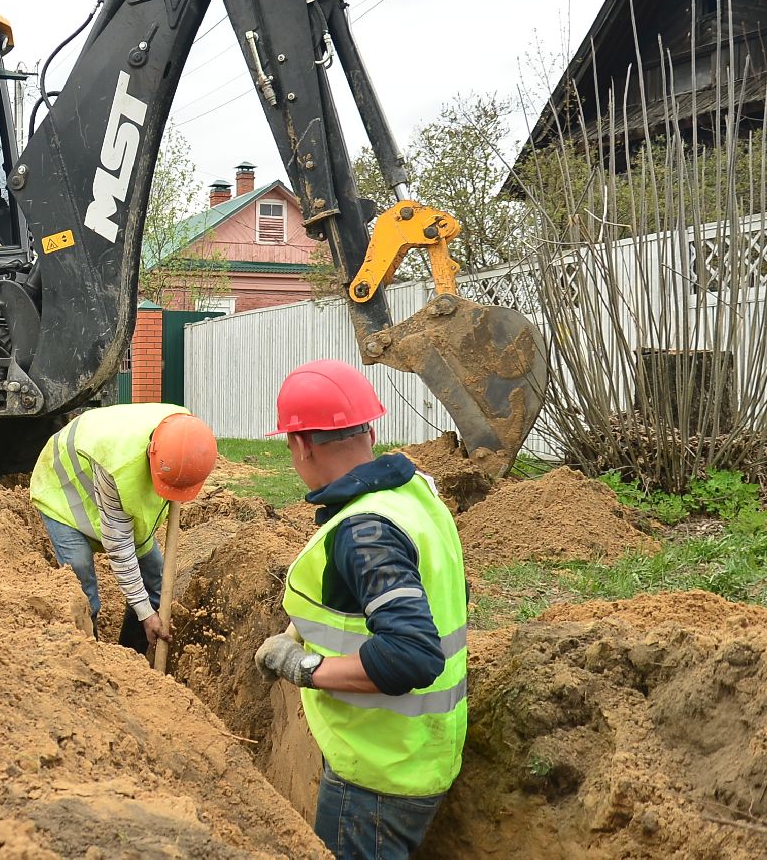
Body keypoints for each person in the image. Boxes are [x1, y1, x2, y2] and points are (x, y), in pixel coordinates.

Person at [253, 360, 467, 860]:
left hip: (376, 777)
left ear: (301, 444)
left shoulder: (364, 531)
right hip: (424, 753)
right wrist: (299, 630)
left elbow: (411, 656)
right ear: (370, 431)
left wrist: (302, 667)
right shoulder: (414, 494)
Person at [30, 404, 217, 654]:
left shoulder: (186, 437)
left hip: (109, 488)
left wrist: (147, 610)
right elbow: (119, 545)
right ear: (152, 457)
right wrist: (145, 614)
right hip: (63, 493)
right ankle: (91, 658)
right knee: (83, 582)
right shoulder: (117, 465)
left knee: (155, 582)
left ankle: (131, 657)